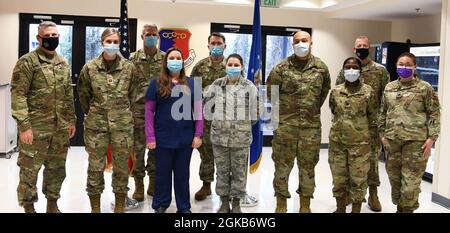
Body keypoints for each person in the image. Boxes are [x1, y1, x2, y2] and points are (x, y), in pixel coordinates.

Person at [11, 21, 76, 213]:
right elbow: (18, 94)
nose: (52, 39)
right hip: (35, 129)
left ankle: (52, 204)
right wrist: (24, 126)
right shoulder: (28, 62)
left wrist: (71, 120)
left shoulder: (63, 63)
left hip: (59, 129)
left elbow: (67, 95)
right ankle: (29, 207)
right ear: (39, 38)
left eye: (55, 36)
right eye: (48, 35)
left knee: (56, 170)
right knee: (29, 170)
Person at [267, 31, 331, 213]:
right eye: (297, 41)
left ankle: (305, 204)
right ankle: (281, 203)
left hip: (310, 129)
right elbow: (272, 93)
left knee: (308, 168)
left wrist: (309, 110)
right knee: (282, 167)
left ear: (311, 42)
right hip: (286, 127)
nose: (301, 43)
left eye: (304, 40)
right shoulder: (281, 67)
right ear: (292, 44)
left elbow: (323, 92)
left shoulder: (321, 68)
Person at [77, 28, 138, 213]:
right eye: (108, 41)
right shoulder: (90, 68)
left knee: (121, 166)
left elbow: (133, 95)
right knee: (95, 167)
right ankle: (95, 207)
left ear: (119, 43)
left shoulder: (129, 67)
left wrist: (120, 112)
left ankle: (120, 205)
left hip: (122, 126)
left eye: (115, 41)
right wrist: (97, 113)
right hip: (97, 126)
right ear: (102, 42)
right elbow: (83, 96)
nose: (112, 45)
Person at [378, 52, 440, 213]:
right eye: (401, 64)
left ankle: (407, 210)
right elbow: (382, 112)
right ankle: (401, 208)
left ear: (414, 67)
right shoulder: (389, 87)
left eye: (408, 64)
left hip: (415, 143)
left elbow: (434, 113)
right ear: (396, 66)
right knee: (395, 181)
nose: (404, 67)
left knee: (410, 184)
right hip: (392, 141)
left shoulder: (424, 88)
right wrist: (382, 136)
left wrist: (432, 139)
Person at [145, 47, 203, 213]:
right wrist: (150, 136)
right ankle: (161, 204)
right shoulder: (155, 83)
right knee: (162, 173)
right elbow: (149, 112)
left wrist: (198, 134)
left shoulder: (194, 84)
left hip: (185, 137)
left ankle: (183, 206)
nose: (175, 61)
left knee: (182, 174)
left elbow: (199, 111)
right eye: (172, 58)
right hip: (162, 137)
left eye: (178, 58)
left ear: (182, 62)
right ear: (166, 61)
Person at [336, 36, 390, 211]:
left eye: (365, 46)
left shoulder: (380, 71)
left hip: (372, 126)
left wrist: (382, 125)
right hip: (350, 127)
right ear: (354, 49)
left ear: (370, 48)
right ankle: (351, 195)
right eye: (359, 46)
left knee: (372, 162)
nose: (362, 48)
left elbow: (385, 98)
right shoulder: (346, 68)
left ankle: (373, 194)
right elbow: (336, 95)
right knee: (350, 163)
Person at [204, 54, 260, 213]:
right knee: (221, 171)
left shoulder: (249, 87)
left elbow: (255, 113)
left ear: (242, 67)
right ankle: (223, 203)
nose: (233, 67)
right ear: (225, 66)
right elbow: (207, 108)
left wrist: (240, 125)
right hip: (219, 138)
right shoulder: (217, 84)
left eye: (236, 65)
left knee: (239, 173)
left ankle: (236, 203)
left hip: (240, 140)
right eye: (230, 64)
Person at [329, 57, 377, 213]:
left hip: (360, 145)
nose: (351, 70)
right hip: (337, 143)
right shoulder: (336, 91)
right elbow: (334, 111)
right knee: (338, 178)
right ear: (343, 70)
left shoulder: (368, 91)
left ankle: (356, 209)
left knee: (359, 179)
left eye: (354, 67)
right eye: (347, 67)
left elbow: (372, 117)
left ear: (360, 70)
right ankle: (340, 207)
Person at [129, 24, 166, 201]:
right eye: (148, 34)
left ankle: (153, 182)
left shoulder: (165, 59)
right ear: (142, 37)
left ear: (158, 37)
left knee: (156, 149)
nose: (151, 37)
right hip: (138, 110)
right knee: (138, 149)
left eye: (154, 34)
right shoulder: (132, 58)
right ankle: (138, 185)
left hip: (160, 112)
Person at [191, 32, 227, 201]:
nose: (216, 46)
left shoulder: (232, 66)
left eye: (219, 43)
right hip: (205, 119)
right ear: (208, 46)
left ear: (224, 46)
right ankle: (206, 186)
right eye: (213, 43)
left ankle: (224, 188)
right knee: (206, 153)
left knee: (224, 154)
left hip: (225, 120)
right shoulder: (200, 67)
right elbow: (193, 93)